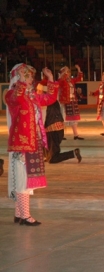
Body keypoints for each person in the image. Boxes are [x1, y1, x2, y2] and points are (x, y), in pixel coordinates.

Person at [6, 64, 58, 226]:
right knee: (22, 180)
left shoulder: (32, 96)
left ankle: (19, 214)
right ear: (19, 78)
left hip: (33, 142)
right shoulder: (11, 95)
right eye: (27, 76)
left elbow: (50, 98)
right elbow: (17, 98)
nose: (31, 80)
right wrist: (20, 83)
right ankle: (26, 216)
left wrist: (50, 80)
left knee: (26, 179)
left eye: (30, 76)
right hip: (22, 144)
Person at [43, 77, 82, 164]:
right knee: (45, 146)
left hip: (53, 130)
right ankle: (48, 156)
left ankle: (73, 153)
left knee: (53, 158)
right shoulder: (52, 101)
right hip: (55, 130)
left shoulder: (49, 101)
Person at [58, 65, 84, 140]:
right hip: (65, 102)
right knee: (63, 118)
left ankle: (76, 135)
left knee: (74, 118)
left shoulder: (71, 80)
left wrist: (79, 69)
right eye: (66, 71)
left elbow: (79, 78)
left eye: (69, 71)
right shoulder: (61, 80)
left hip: (72, 101)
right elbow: (60, 81)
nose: (68, 73)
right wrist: (64, 73)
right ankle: (61, 135)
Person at [90, 71, 104, 136]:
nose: (103, 77)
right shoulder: (101, 84)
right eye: (103, 76)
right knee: (103, 117)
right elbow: (99, 91)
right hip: (101, 102)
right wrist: (93, 93)